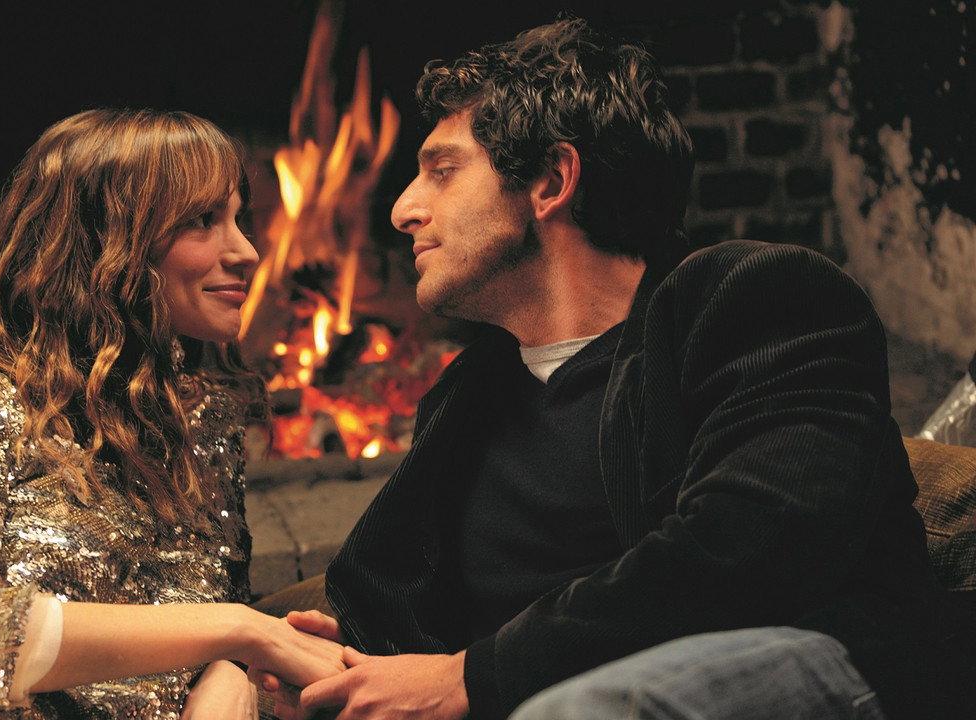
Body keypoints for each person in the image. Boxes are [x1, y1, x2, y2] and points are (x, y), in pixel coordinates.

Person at [262, 17, 971, 720]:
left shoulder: (757, 299)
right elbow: (393, 599)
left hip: (812, 665)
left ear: (551, 180)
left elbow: (757, 543)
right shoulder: (468, 395)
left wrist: (473, 677)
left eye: (442, 172)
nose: (402, 210)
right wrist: (345, 661)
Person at [0, 108, 345, 720]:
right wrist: (241, 631)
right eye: (201, 221)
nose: (248, 251)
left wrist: (232, 673)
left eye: (239, 219)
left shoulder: (203, 418)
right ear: (106, 239)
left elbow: (203, 608)